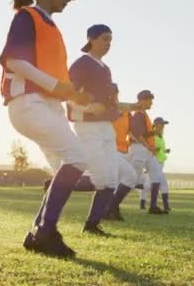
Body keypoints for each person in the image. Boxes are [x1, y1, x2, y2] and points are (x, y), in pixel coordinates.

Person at [0, 0, 90, 257]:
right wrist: (56, 86)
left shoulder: (51, 26)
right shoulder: (28, 16)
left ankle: (39, 231)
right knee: (77, 158)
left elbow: (53, 77)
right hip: (28, 104)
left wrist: (72, 94)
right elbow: (14, 61)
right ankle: (45, 231)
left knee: (67, 164)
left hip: (46, 106)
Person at [67, 26, 140, 236]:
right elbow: (69, 93)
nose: (108, 44)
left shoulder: (105, 68)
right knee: (102, 178)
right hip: (88, 127)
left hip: (106, 127)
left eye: (111, 40)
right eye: (105, 39)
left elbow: (110, 103)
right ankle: (57, 186)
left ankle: (92, 224)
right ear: (91, 39)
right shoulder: (81, 64)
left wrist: (133, 107)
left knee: (113, 179)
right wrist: (87, 108)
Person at [106, 90, 167, 219]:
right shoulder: (138, 114)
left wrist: (153, 136)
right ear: (143, 100)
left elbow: (142, 133)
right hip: (138, 149)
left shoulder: (143, 114)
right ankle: (112, 206)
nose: (151, 103)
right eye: (150, 100)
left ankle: (153, 206)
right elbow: (136, 134)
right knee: (130, 179)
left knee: (157, 176)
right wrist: (148, 145)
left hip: (146, 150)